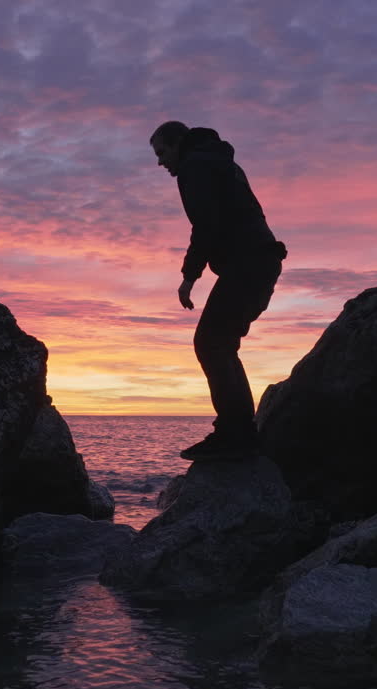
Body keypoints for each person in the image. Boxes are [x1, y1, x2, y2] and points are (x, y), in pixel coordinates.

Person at [149, 120, 287, 461]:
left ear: (178, 143)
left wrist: (189, 276)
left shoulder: (195, 166)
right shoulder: (221, 161)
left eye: (162, 152)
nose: (160, 162)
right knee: (220, 343)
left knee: (212, 343)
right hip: (260, 262)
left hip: (250, 264)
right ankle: (238, 432)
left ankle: (235, 435)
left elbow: (206, 224)